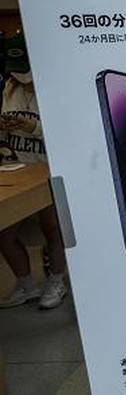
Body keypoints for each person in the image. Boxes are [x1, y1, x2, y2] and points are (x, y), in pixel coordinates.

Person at [0, 32, 67, 309]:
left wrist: (34, 128)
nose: (22, 77)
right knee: (4, 232)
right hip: (16, 168)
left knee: (53, 228)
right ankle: (26, 284)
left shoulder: (56, 89)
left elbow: (69, 135)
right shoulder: (9, 88)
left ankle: (56, 281)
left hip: (48, 168)